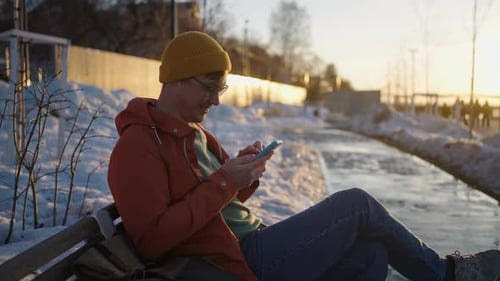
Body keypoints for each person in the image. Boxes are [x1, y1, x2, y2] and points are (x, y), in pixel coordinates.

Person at [107, 31, 500, 281]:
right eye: (209, 87)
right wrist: (226, 181)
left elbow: (216, 199)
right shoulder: (138, 146)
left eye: (221, 89)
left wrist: (242, 172)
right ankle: (447, 275)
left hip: (256, 240)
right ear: (176, 79)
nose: (215, 100)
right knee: (356, 204)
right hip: (238, 260)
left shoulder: (194, 133)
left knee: (371, 254)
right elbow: (153, 240)